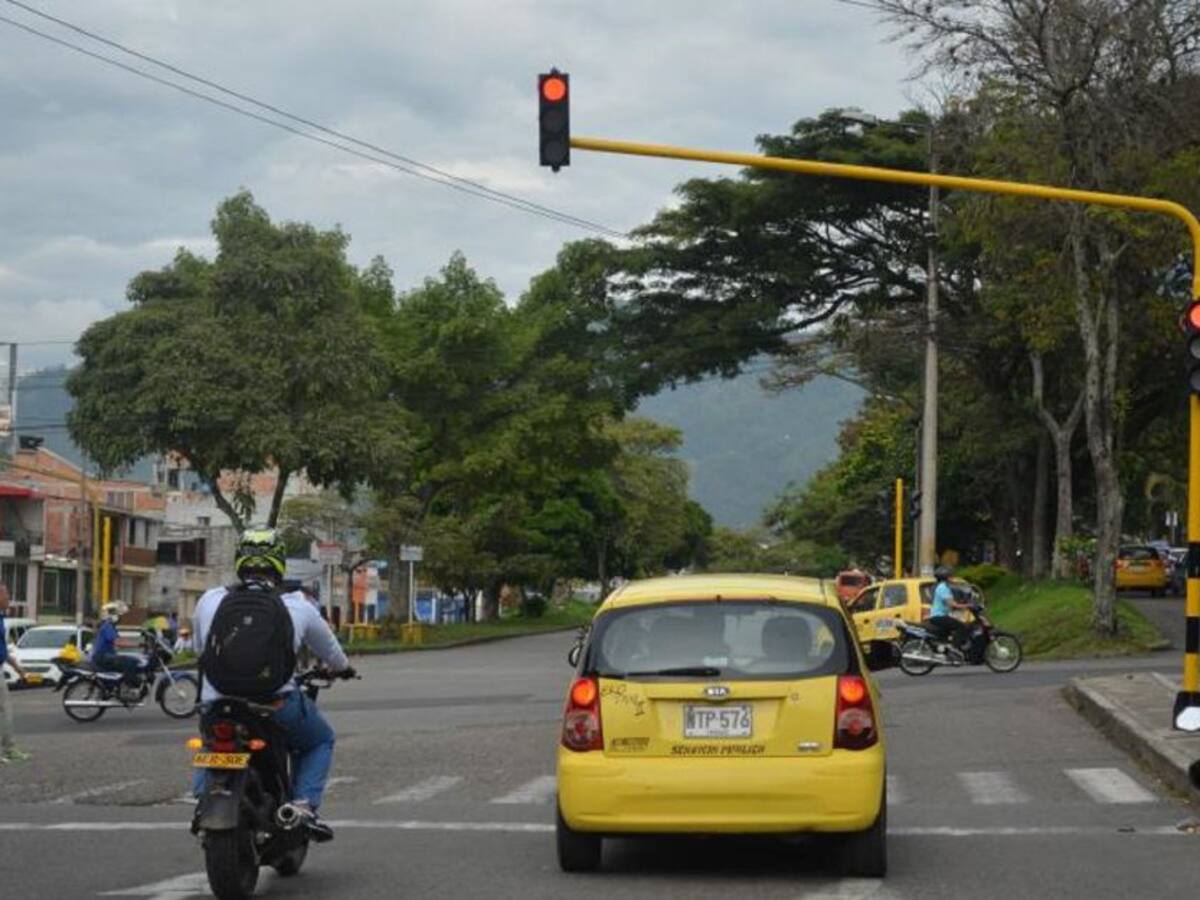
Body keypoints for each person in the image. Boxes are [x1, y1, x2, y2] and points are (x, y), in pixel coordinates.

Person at [192, 528, 354, 841]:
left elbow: (202, 651)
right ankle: (303, 806)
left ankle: (202, 798)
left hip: (219, 704)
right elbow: (332, 654)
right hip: (274, 704)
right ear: (279, 563)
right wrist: (344, 669)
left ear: (240, 560)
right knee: (320, 740)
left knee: (211, 737)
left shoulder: (210, 599)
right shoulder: (298, 604)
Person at [0, 585, 31, 763]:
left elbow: (2, 649)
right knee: (5, 710)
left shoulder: (2, 619)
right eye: (6, 595)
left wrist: (17, 668)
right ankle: (8, 749)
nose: (8, 599)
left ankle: (8, 748)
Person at [92, 602, 142, 686]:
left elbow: (120, 640)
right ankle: (129, 687)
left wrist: (138, 643)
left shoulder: (110, 626)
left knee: (132, 659)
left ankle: (121, 685)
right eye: (118, 614)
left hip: (105, 656)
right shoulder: (107, 626)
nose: (119, 617)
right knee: (130, 662)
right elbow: (118, 642)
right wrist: (138, 645)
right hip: (102, 657)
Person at [927, 566, 972, 653]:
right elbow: (951, 604)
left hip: (941, 616)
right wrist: (967, 606)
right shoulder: (942, 588)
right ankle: (954, 649)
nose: (953, 578)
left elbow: (953, 602)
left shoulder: (945, 587)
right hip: (939, 616)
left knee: (949, 631)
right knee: (961, 627)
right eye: (951, 576)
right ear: (945, 577)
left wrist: (963, 604)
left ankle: (945, 650)